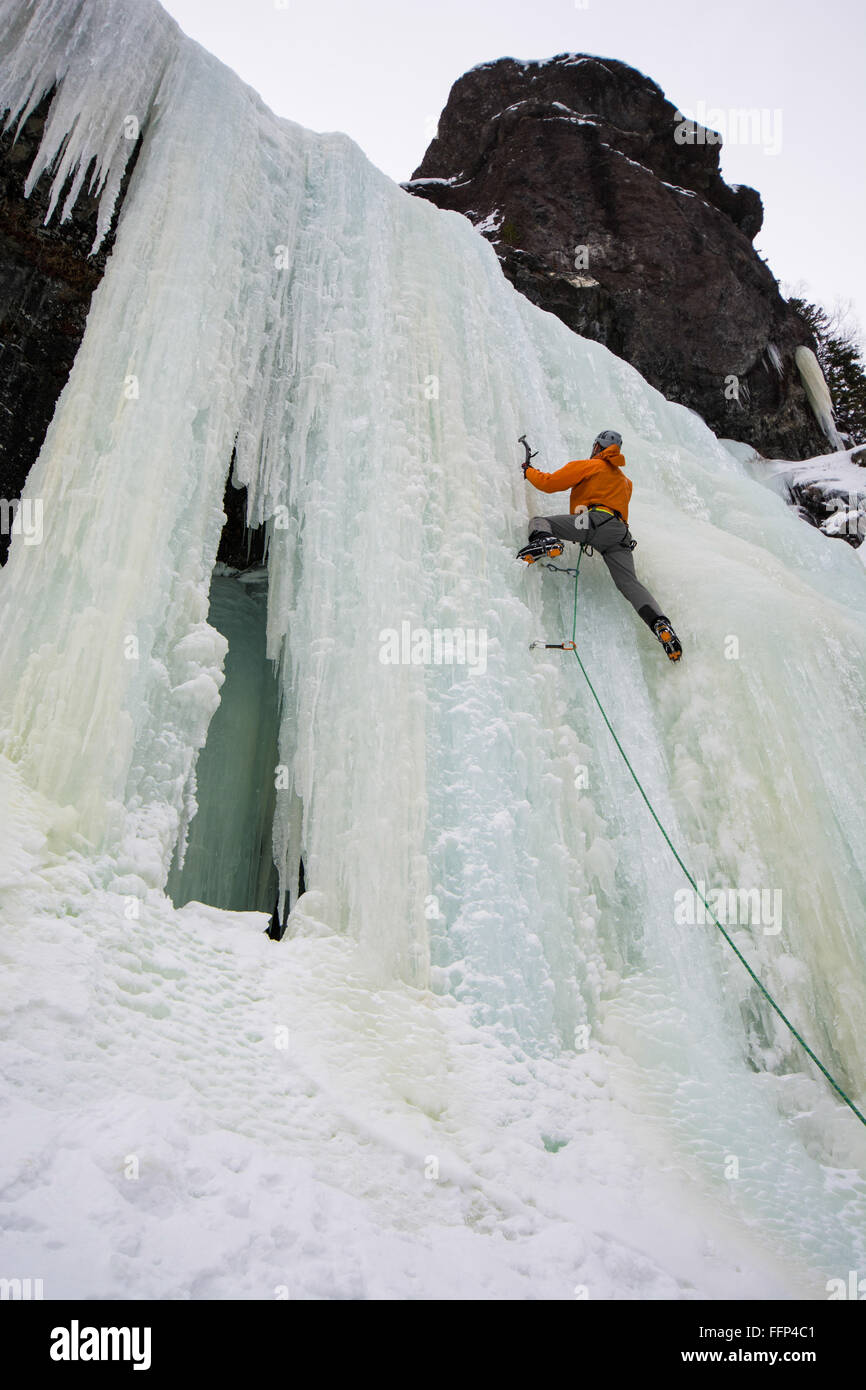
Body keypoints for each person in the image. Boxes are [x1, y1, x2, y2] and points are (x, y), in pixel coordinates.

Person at [517, 429, 683, 661]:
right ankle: (660, 624)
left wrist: (529, 471)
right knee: (629, 583)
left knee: (540, 522)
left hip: (593, 521)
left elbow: (550, 483)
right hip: (619, 535)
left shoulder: (590, 465)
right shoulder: (626, 483)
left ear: (597, 447)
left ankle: (547, 541)